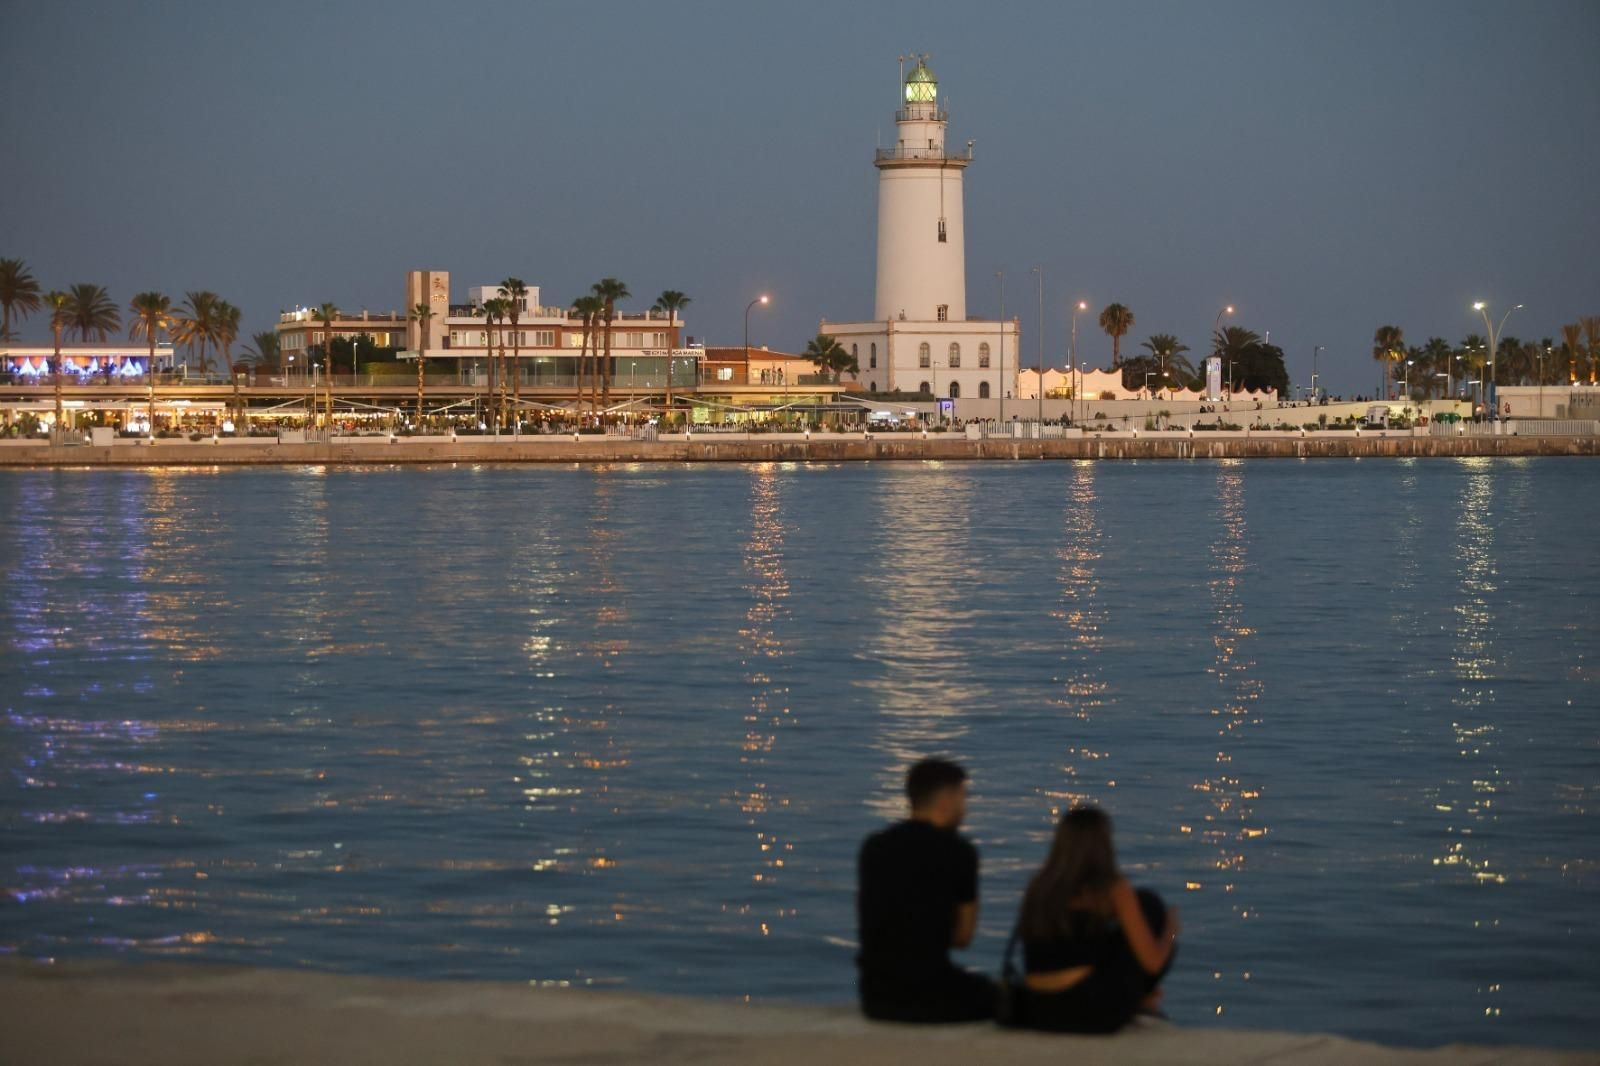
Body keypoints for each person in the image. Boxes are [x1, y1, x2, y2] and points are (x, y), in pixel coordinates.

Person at [1008, 807, 1178, 1033]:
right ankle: (1144, 1000)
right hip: (1087, 1012)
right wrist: (1169, 930)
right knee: (1150, 905)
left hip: (1036, 1009)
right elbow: (1153, 962)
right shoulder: (1113, 889)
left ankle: (1143, 998)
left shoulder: (1039, 885)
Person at [857, 758, 995, 1023]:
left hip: (875, 996)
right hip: (931, 994)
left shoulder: (873, 848)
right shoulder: (960, 852)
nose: (964, 809)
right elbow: (963, 937)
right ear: (946, 802)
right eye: (962, 799)